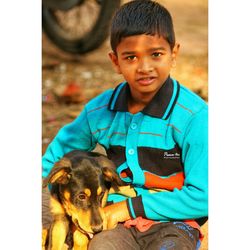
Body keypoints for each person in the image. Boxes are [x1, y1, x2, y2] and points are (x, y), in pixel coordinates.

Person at [42, 0, 208, 249]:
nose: (144, 68)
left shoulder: (194, 117)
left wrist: (127, 208)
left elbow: (204, 197)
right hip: (114, 223)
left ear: (174, 54)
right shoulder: (100, 112)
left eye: (156, 54)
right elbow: (55, 158)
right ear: (115, 61)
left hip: (175, 222)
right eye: (130, 57)